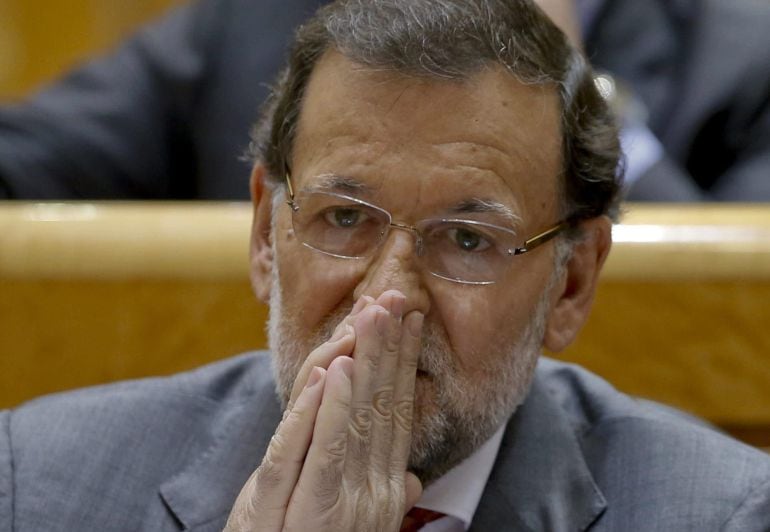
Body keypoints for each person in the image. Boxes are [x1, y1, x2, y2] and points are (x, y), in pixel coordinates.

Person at [2, 1, 770, 530]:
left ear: (571, 283)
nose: (386, 301)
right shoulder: (37, 485)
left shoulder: (722, 513)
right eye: (344, 220)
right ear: (268, 234)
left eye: (468, 238)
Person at [1, 0, 768, 201]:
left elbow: (738, 318)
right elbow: (25, 163)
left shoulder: (745, 57)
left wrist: (571, 89)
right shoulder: (245, 22)